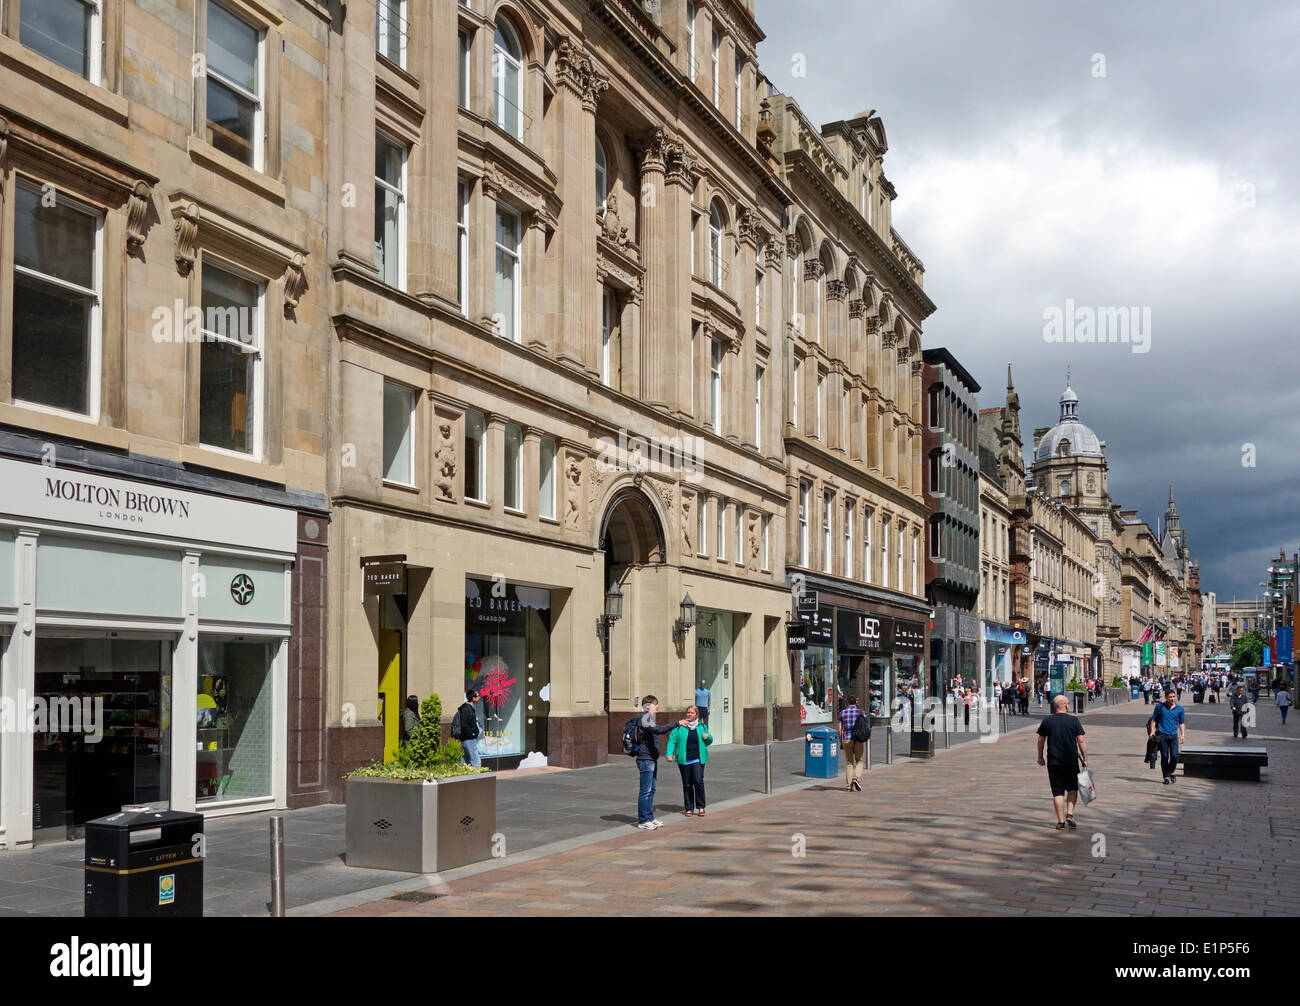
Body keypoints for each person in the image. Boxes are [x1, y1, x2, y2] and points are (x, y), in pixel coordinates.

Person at [633, 696, 687, 831]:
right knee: (646, 790)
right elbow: (658, 730)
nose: (658, 707)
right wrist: (677, 723)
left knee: (651, 789)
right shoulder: (645, 718)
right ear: (647, 706)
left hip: (651, 759)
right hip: (645, 759)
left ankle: (650, 818)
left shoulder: (649, 718)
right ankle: (643, 820)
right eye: (655, 705)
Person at [1036, 695, 1088, 830]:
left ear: (1054, 706)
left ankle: (1060, 821)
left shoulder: (1047, 720)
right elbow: (1081, 740)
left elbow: (1041, 740)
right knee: (1072, 789)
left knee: (1057, 791)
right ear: (1066, 706)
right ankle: (1070, 813)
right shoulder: (1073, 720)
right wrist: (1085, 758)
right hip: (1070, 760)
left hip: (1054, 760)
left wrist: (1040, 757)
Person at [665, 705, 712, 815]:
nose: (689, 714)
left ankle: (701, 806)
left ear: (696, 715)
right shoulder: (680, 727)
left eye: (692, 713)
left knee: (698, 781)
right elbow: (672, 740)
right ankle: (689, 808)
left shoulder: (702, 726)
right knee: (687, 784)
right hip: (684, 759)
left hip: (698, 759)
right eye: (688, 712)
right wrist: (669, 754)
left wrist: (708, 737)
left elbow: (709, 741)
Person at [1148, 689, 1186, 785]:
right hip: (1162, 735)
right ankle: (1166, 776)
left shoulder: (1180, 709)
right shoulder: (1160, 707)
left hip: (1173, 736)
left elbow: (1182, 723)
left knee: (1175, 756)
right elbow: (1153, 720)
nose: (1173, 699)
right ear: (1166, 697)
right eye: (1170, 697)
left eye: (1174, 696)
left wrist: (1183, 735)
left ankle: (1170, 772)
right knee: (1164, 756)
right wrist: (1152, 732)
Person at [837, 696, 868, 792]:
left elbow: (839, 730)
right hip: (858, 739)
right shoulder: (861, 712)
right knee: (860, 760)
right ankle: (856, 778)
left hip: (847, 738)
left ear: (847, 702)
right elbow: (865, 725)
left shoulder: (842, 713)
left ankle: (849, 786)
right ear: (856, 702)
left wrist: (841, 742)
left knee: (849, 763)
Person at [452, 689, 483, 767]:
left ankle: (463, 773)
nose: (479, 697)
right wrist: (473, 734)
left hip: (467, 738)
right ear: (473, 698)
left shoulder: (468, 708)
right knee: (476, 761)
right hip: (469, 738)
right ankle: (477, 778)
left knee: (466, 759)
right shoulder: (467, 709)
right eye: (478, 696)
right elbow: (465, 725)